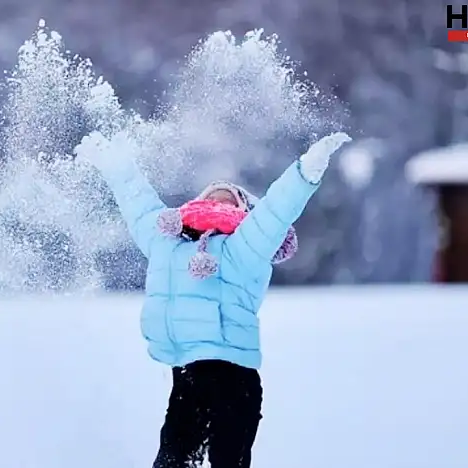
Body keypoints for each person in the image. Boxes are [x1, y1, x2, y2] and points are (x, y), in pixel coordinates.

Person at [74, 130, 351, 468]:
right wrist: (115, 165)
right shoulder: (168, 244)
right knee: (171, 461)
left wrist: (306, 170)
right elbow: (139, 204)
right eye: (211, 199)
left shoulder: (246, 246)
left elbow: (277, 210)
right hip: (187, 377)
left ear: (244, 212)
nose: (218, 205)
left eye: (228, 201)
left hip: (235, 381)